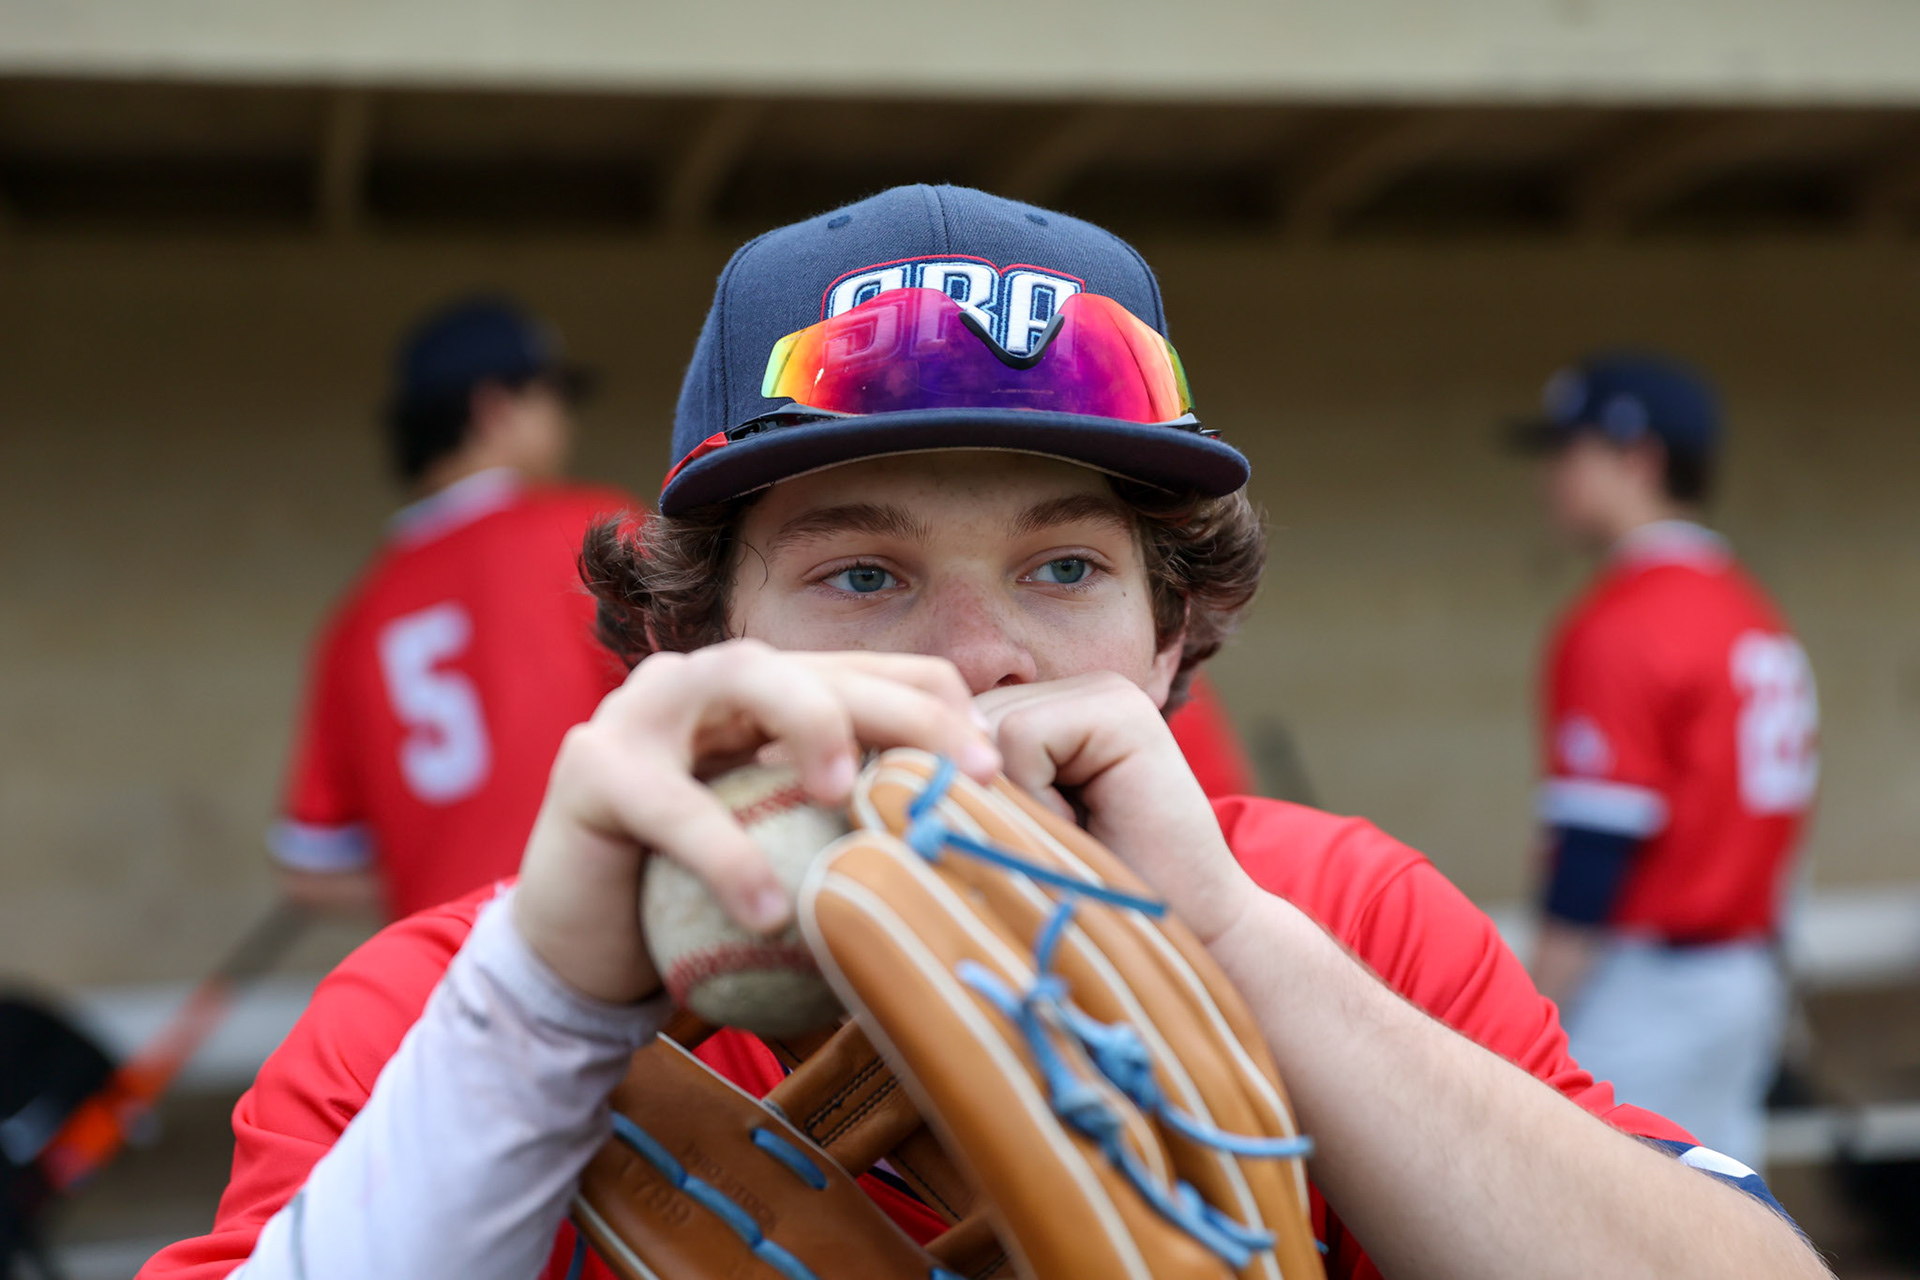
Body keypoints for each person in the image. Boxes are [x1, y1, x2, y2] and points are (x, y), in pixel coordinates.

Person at [143, 189, 1826, 1280]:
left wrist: (1240, 951)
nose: (972, 665)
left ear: (1177, 637)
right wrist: (546, 1012)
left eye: (1066, 567)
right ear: (692, 637)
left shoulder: (1346, 912)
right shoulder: (455, 1003)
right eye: (863, 569)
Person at [1512, 354, 1819, 1170]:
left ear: (1636, 459)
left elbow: (1594, 854)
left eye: (1569, 452)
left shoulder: (1623, 620)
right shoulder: (1746, 605)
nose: (1552, 476)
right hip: (1743, 975)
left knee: (1592, 1228)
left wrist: (1528, 1013)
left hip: (1646, 987)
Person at [270, 297, 635, 920]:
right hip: (603, 954)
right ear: (494, 408)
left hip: (443, 980)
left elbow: (312, 871)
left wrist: (432, 881)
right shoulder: (591, 532)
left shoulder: (356, 618)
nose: (566, 424)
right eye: (553, 399)